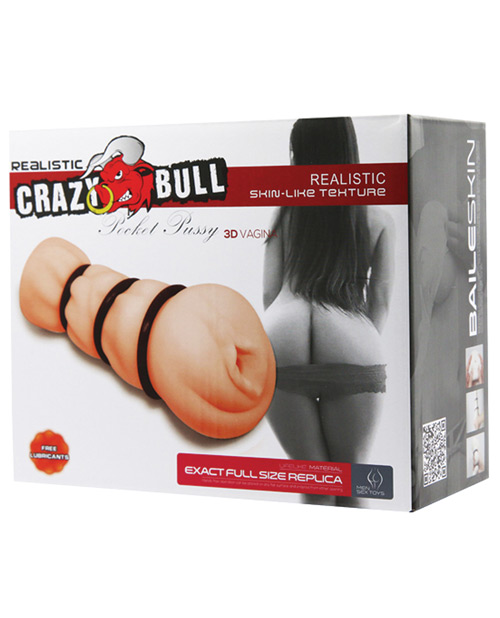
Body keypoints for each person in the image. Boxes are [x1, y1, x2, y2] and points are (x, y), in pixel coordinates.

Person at [263, 117, 395, 505]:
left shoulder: (285, 213)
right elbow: (380, 302)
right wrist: (354, 345)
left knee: (315, 483)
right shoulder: (377, 218)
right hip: (351, 340)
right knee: (353, 481)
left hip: (281, 339)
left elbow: (270, 292)